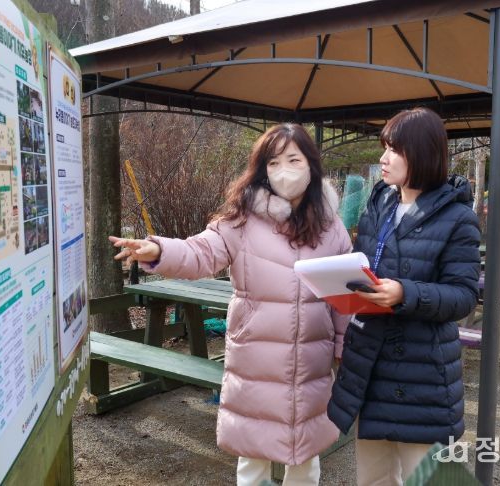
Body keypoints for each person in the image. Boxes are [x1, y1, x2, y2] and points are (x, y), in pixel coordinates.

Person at [109, 123, 352, 486]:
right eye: (273, 163)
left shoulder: (332, 227)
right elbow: (199, 252)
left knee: (305, 458)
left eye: (293, 160)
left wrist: (344, 349)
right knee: (252, 455)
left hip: (311, 364)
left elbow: (344, 299)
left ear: (311, 165)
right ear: (262, 170)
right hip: (256, 360)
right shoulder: (241, 220)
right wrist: (159, 250)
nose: (283, 171)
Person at [327, 107, 481, 485]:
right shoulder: (379, 203)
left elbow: (464, 296)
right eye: (385, 148)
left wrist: (405, 293)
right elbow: (365, 263)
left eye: (394, 150)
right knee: (373, 478)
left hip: (422, 372)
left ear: (422, 153)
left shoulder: (457, 217)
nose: (383, 158)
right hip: (370, 365)